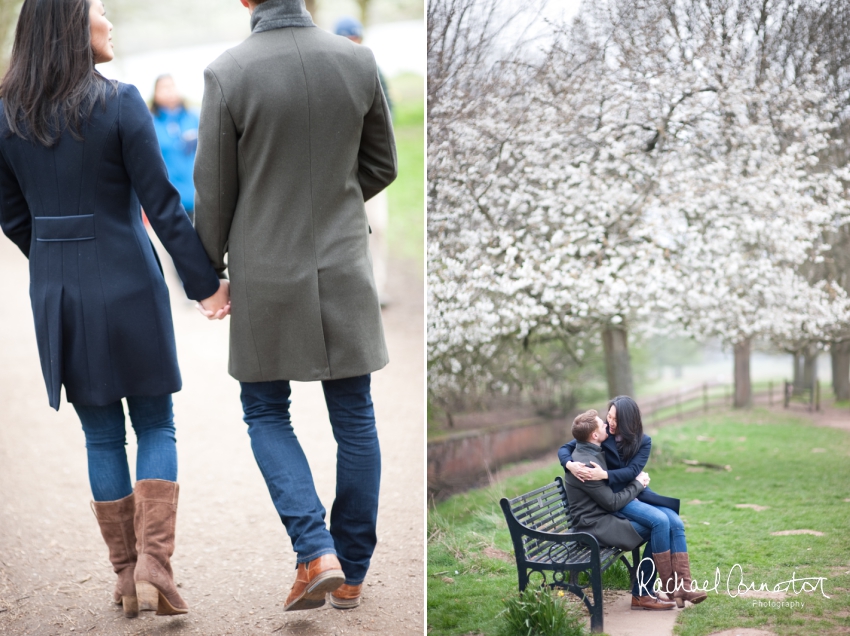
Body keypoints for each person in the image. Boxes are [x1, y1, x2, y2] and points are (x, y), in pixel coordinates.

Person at [0, 0, 230, 620]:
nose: (109, 20)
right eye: (101, 9)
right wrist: (206, 284)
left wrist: (54, 259)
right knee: (154, 423)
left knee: (100, 433)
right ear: (74, 26)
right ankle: (156, 567)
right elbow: (163, 203)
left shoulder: (5, 115)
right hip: (128, 280)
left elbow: (13, 216)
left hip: (59, 294)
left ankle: (128, 578)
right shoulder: (121, 101)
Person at [193, 0, 397, 613]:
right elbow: (382, 164)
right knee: (354, 415)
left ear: (245, 0)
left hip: (265, 272)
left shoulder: (228, 72)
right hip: (342, 265)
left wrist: (211, 273)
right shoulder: (358, 62)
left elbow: (214, 189)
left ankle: (316, 550)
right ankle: (353, 570)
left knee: (263, 409)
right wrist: (333, 207)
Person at [559, 398, 708, 607]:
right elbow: (571, 445)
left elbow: (631, 471)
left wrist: (609, 475)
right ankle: (661, 589)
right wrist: (570, 465)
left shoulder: (642, 441)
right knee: (660, 523)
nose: (609, 422)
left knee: (675, 522)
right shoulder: (603, 434)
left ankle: (683, 586)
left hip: (632, 491)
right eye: (608, 416)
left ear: (628, 421)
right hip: (617, 498)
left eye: (614, 419)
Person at [334, 15, 391, 305]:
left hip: (366, 167)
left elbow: (385, 124)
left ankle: (377, 288)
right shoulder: (328, 72)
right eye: (347, 39)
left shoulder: (372, 70)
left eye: (355, 39)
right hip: (341, 170)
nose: (352, 44)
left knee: (376, 228)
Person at [149, 75, 199, 222]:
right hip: (170, 201)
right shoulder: (150, 123)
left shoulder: (194, 118)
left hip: (198, 198)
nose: (169, 91)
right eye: (164, 88)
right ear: (155, 94)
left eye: (172, 86)